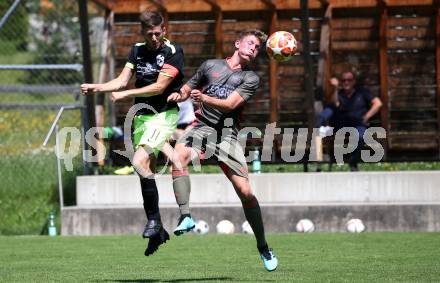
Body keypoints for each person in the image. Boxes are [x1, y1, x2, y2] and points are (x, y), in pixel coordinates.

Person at [167, 29, 278, 272]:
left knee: (246, 192)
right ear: (237, 44)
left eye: (257, 47)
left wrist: (203, 98)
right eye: (250, 43)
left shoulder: (251, 78)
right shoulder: (211, 66)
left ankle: (263, 245)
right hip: (202, 128)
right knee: (178, 156)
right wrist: (180, 94)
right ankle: (185, 215)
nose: (253, 49)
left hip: (227, 135)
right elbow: (189, 87)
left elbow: (230, 105)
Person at [80, 11, 184, 256]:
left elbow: (159, 86)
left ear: (164, 30)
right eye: (150, 34)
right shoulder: (136, 50)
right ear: (143, 32)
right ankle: (158, 229)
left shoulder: (173, 51)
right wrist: (98, 87)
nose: (154, 38)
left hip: (164, 115)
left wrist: (125, 94)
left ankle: (154, 221)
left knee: (137, 162)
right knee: (145, 171)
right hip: (142, 116)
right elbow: (121, 81)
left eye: (158, 33)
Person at [318, 70, 383, 171]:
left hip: (358, 124)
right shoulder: (339, 94)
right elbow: (335, 104)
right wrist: (335, 88)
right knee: (322, 130)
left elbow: (378, 103)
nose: (346, 82)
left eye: (349, 80)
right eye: (343, 80)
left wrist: (366, 116)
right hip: (341, 126)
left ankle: (353, 161)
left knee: (361, 136)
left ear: (354, 82)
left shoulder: (362, 92)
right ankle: (321, 161)